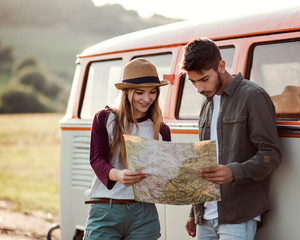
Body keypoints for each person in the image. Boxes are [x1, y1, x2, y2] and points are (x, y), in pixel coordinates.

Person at [181, 37, 281, 240]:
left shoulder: (253, 96)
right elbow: (203, 160)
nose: (199, 88)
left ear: (221, 66)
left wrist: (234, 172)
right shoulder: (206, 103)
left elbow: (271, 154)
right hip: (205, 216)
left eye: (204, 79)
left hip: (238, 214)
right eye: (193, 82)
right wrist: (194, 211)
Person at [83, 58, 171, 240]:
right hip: (106, 210)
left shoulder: (161, 129)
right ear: (126, 92)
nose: (147, 99)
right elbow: (96, 159)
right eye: (140, 92)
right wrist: (118, 175)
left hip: (144, 214)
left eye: (153, 92)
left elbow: (163, 171)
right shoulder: (105, 119)